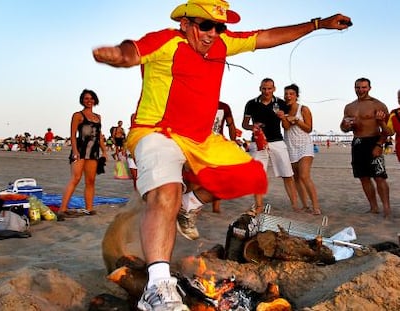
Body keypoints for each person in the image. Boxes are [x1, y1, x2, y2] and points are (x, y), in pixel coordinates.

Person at [93, 1, 352, 309]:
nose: (213, 33)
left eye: (219, 27)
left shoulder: (221, 44)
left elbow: (267, 37)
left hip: (201, 140)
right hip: (157, 132)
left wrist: (318, 24)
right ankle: (157, 288)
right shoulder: (168, 40)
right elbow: (132, 50)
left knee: (250, 175)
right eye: (206, 25)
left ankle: (186, 207)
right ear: (187, 24)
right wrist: (120, 56)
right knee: (167, 191)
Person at [242, 78, 300, 213]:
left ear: (274, 89)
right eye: (264, 88)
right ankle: (258, 206)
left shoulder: (280, 103)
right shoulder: (251, 104)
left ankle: (295, 205)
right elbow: (244, 124)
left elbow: (286, 126)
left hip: (277, 141)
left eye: (269, 88)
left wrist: (283, 117)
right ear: (260, 89)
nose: (266, 91)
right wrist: (252, 126)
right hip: (258, 142)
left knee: (287, 174)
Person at [340, 78, 393, 219]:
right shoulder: (349, 107)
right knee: (363, 177)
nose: (360, 90)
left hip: (373, 140)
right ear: (354, 88)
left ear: (369, 88)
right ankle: (374, 207)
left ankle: (386, 208)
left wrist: (379, 144)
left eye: (364, 87)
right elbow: (343, 127)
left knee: (379, 177)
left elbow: (389, 131)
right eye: (358, 87)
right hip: (357, 142)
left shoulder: (378, 105)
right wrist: (345, 126)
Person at [59, 89, 107, 217]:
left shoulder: (98, 117)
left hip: (93, 151)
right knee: (76, 178)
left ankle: (89, 208)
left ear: (95, 100)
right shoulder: (77, 115)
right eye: (86, 98)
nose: (89, 101)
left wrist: (104, 150)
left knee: (90, 181)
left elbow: (99, 135)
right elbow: (73, 135)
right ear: (82, 100)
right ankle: (62, 209)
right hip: (80, 150)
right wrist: (75, 151)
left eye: (91, 98)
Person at [282, 84, 321, 215]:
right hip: (290, 145)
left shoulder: (303, 109)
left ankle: (315, 206)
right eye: (286, 94)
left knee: (304, 175)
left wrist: (297, 120)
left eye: (291, 94)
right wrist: (283, 117)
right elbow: (286, 127)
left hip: (304, 145)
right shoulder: (283, 110)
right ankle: (305, 205)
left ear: (296, 96)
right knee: (297, 178)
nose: (288, 96)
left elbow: (309, 128)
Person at [211, 101, 237, 213]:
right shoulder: (198, 101)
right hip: (199, 143)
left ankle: (216, 206)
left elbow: (231, 125)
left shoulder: (223, 106)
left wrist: (233, 141)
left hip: (217, 144)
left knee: (218, 176)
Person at [387, 89, 400, 162]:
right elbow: (390, 132)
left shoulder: (394, 113)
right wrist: (381, 122)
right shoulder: (394, 114)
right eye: (399, 97)